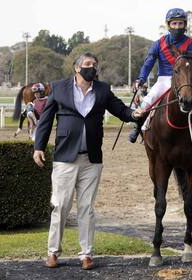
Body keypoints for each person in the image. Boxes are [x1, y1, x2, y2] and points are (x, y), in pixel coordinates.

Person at [33, 52, 142, 269]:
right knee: (61, 206)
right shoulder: (59, 87)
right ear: (76, 68)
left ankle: (86, 255)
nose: (91, 67)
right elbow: (45, 120)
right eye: (87, 64)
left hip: (92, 160)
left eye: (94, 64)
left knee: (87, 208)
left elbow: (120, 109)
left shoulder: (103, 89)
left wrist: (134, 114)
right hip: (65, 158)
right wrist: (38, 147)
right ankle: (53, 252)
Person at [128, 7, 192, 143]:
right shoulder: (159, 44)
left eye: (180, 23)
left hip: (186, 80)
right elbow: (148, 63)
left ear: (185, 25)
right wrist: (140, 79)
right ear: (168, 25)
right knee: (148, 101)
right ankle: (137, 127)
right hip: (165, 79)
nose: (177, 27)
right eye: (174, 23)